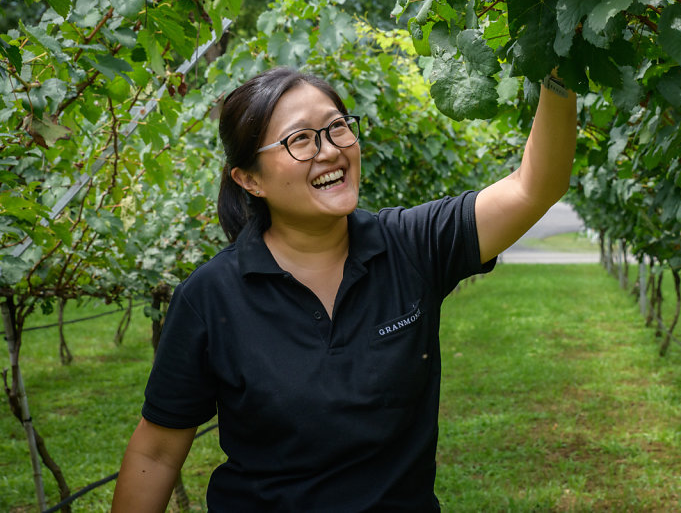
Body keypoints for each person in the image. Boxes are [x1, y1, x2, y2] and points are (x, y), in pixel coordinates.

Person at [111, 66, 577, 511]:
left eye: (337, 127)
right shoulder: (210, 297)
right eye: (300, 139)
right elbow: (157, 452)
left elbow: (534, 187)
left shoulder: (411, 246)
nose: (330, 150)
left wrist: (556, 63)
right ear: (250, 180)